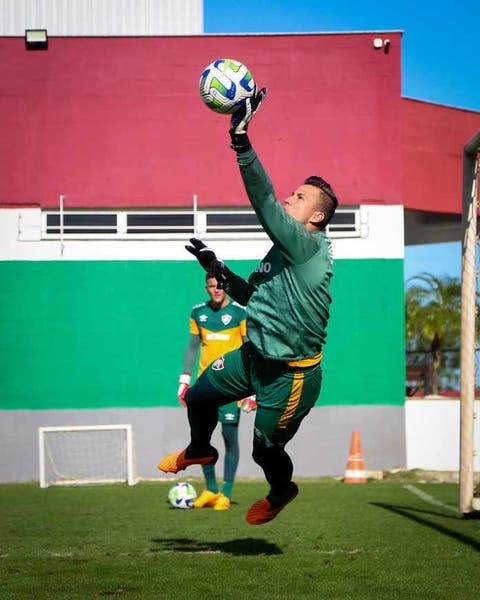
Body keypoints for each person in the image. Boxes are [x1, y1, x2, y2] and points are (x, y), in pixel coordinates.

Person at [158, 85, 338, 525]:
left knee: (265, 448)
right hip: (253, 358)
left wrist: (241, 141)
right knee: (199, 398)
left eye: (298, 197)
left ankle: (282, 491)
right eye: (292, 193)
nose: (288, 199)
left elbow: (263, 204)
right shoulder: (282, 254)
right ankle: (201, 448)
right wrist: (218, 268)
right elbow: (254, 298)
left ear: (315, 216)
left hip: (289, 376)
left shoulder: (309, 244)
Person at [177, 273, 255, 511]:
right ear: (206, 288)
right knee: (201, 438)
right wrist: (184, 379)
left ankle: (226, 492)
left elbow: (250, 348)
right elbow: (192, 347)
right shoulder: (198, 313)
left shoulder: (240, 312)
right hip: (205, 386)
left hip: (231, 387)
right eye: (212, 286)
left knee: (229, 437)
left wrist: (252, 391)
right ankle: (210, 489)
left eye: (220, 285)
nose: (216, 289)